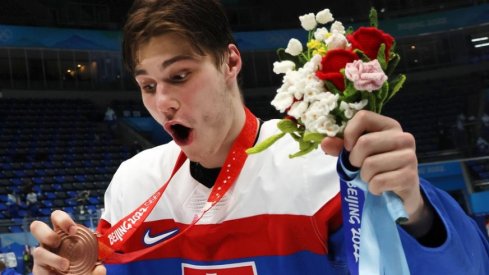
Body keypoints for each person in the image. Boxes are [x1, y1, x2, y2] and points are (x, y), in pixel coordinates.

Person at [29, 0, 489, 274]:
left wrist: (415, 211)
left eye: (180, 75)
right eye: (148, 86)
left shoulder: (320, 164)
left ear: (231, 62)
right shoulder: (132, 181)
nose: (162, 102)